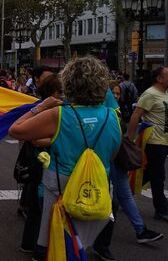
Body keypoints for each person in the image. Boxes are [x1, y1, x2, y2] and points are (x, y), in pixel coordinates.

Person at [9, 56, 121, 260]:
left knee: (56, 245)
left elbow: (16, 130)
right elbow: (113, 153)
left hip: (61, 189)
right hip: (97, 189)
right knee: (82, 246)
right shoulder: (112, 116)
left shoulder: (59, 115)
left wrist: (39, 108)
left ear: (69, 83)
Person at [92, 82, 163, 260]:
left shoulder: (107, 100)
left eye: (118, 93)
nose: (115, 96)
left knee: (121, 195)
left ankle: (139, 230)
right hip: (100, 154)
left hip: (112, 153)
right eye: (113, 93)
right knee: (115, 198)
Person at [18, 74, 63, 254]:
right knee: (41, 208)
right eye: (60, 92)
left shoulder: (58, 109)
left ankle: (30, 244)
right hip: (41, 165)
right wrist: (58, 138)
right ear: (51, 93)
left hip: (47, 165)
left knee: (38, 209)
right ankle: (37, 248)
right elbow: (33, 138)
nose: (63, 96)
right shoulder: (44, 110)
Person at [127, 66, 168, 221]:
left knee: (148, 173)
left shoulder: (164, 94)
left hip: (164, 141)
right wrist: (130, 140)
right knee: (158, 176)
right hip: (153, 141)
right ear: (159, 78)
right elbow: (136, 116)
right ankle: (162, 209)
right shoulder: (150, 94)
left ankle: (123, 195)